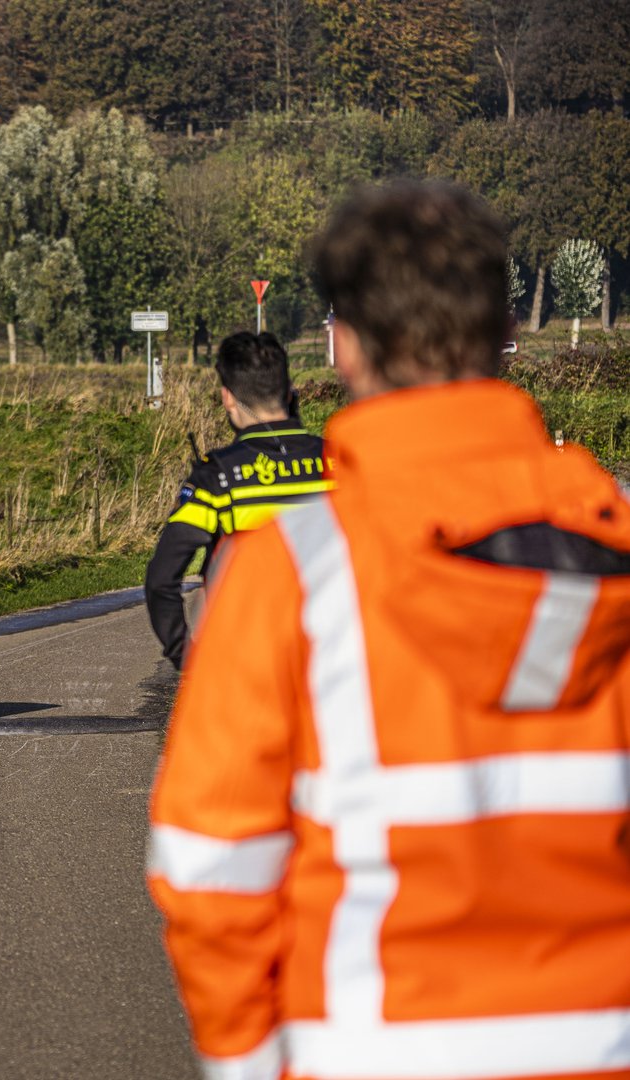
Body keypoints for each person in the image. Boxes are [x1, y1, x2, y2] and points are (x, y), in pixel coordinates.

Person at [147, 179, 630, 1080]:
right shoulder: (616, 541)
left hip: (370, 1047)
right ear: (499, 336)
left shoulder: (294, 574)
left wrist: (249, 1061)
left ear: (349, 348)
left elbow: (211, 870)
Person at [143, 332, 331, 669]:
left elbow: (162, 578)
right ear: (289, 392)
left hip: (248, 663)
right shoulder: (340, 462)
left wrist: (186, 657)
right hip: (334, 658)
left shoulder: (216, 476)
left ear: (227, 398)